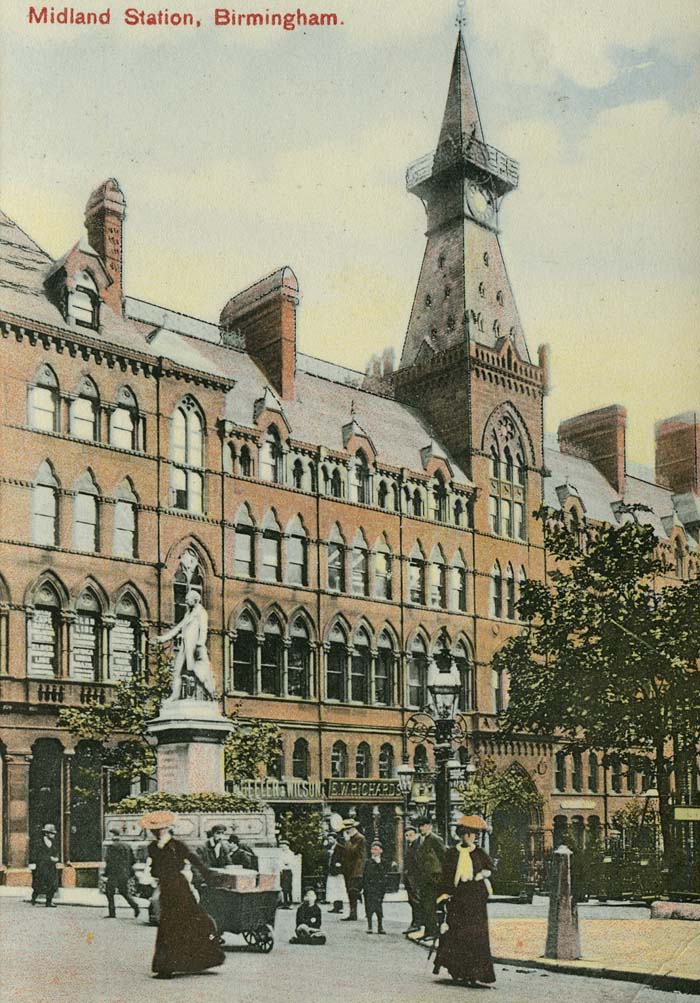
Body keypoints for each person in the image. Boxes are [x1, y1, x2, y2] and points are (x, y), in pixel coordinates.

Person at [142, 810, 225, 979]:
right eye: (154, 830)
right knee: (171, 924)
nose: (155, 832)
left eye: (158, 829)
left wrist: (210, 877)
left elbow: (195, 861)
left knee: (187, 922)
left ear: (165, 829)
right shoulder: (153, 847)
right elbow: (154, 869)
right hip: (167, 888)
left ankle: (178, 964)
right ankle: (172, 965)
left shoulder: (177, 845)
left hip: (180, 888)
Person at [432, 815, 496, 987]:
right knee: (456, 935)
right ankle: (457, 970)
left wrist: (481, 874)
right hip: (458, 899)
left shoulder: (480, 853)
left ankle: (474, 972)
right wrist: (444, 893)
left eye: (473, 834)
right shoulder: (452, 853)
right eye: (466, 834)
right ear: (461, 835)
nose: (470, 837)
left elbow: (490, 868)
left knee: (475, 936)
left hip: (475, 900)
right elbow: (446, 875)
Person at [152, 589, 216, 702]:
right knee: (176, 671)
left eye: (188, 599)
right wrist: (162, 639)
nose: (186, 600)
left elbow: (203, 630)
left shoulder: (201, 612)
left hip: (195, 648)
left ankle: (211, 695)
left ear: (195, 600)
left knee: (200, 673)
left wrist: (200, 644)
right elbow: (178, 628)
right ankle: (175, 695)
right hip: (185, 648)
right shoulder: (188, 613)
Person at [411, 816, 444, 941]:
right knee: (424, 905)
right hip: (423, 878)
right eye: (420, 826)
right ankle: (427, 931)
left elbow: (443, 857)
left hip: (433, 878)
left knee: (431, 906)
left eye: (424, 826)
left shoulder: (435, 839)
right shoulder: (419, 840)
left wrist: (440, 876)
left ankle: (434, 932)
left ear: (430, 826)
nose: (421, 828)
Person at [104, 828, 140, 919]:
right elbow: (133, 860)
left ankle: (112, 913)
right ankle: (135, 906)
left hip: (114, 873)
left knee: (109, 892)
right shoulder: (127, 846)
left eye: (110, 835)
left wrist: (106, 873)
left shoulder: (112, 847)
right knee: (124, 891)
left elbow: (109, 862)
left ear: (113, 836)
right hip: (125, 873)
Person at [339, 819, 366, 922]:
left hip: (356, 869)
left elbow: (353, 851)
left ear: (353, 828)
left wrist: (347, 841)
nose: (346, 831)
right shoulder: (352, 839)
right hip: (349, 869)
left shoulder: (360, 838)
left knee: (352, 890)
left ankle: (353, 913)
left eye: (348, 829)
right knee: (350, 891)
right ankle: (352, 913)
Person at [29, 823, 60, 907]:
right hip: (42, 866)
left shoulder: (53, 843)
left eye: (53, 834)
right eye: (51, 833)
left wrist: (56, 858)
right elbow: (36, 855)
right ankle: (33, 898)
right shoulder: (39, 842)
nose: (53, 835)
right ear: (46, 833)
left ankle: (49, 902)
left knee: (52, 884)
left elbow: (56, 852)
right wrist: (48, 858)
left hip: (51, 867)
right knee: (39, 884)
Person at [363, 841, 388, 935]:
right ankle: (369, 926)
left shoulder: (384, 862)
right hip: (369, 888)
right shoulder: (368, 862)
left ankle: (380, 926)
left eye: (376, 849)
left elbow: (385, 874)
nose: (374, 851)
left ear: (381, 851)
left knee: (378, 907)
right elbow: (365, 875)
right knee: (369, 907)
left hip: (379, 888)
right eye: (372, 849)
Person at [403, 823, 421, 933]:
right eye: (406, 835)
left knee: (416, 901)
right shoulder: (409, 846)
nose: (409, 837)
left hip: (415, 878)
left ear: (415, 834)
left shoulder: (417, 845)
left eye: (411, 835)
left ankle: (416, 923)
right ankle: (415, 922)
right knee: (412, 901)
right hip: (410, 878)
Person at [325, 836, 345, 913]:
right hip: (331, 871)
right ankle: (335, 906)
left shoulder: (340, 847)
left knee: (338, 889)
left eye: (331, 839)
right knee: (333, 889)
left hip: (337, 871)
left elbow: (343, 858)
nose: (329, 840)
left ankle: (340, 906)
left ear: (335, 839)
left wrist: (339, 864)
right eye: (329, 839)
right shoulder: (329, 848)